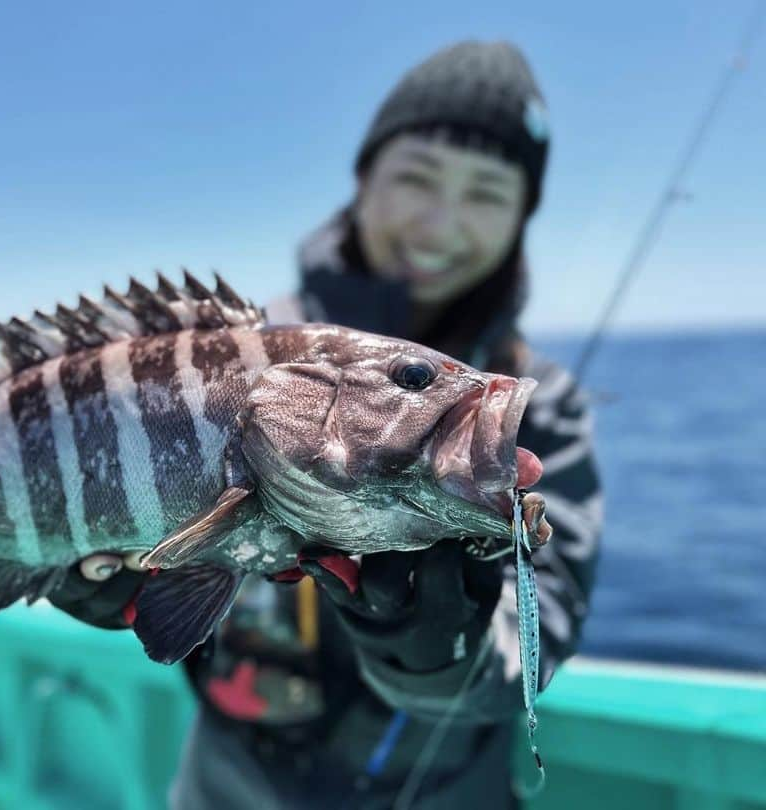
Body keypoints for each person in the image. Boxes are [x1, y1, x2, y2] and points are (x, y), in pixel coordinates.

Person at [49, 40, 602, 809]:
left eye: (487, 192)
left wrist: (435, 647)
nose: (443, 222)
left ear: (521, 217)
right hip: (228, 784)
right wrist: (93, 578)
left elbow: (540, 636)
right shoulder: (227, 358)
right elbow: (145, 560)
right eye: (417, 178)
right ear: (364, 180)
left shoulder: (542, 410)